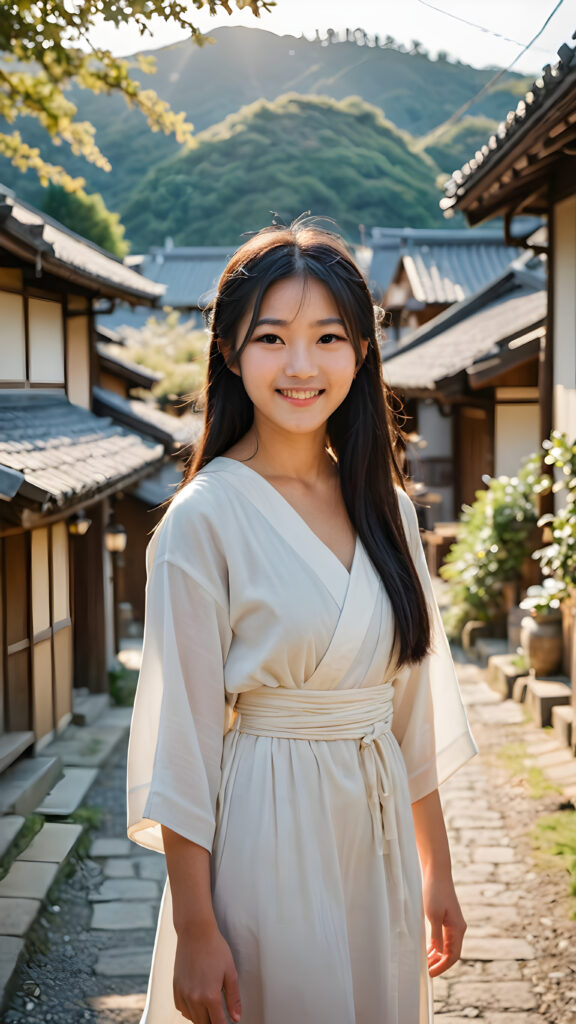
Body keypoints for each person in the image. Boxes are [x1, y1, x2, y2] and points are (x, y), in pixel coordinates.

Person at [126, 220, 478, 1024]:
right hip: (266, 825)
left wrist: (440, 871)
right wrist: (194, 926)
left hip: (377, 832)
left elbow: (410, 710)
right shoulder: (202, 520)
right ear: (229, 352)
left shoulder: (385, 506)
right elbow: (184, 738)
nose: (300, 366)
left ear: (360, 351)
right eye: (272, 338)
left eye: (327, 338)